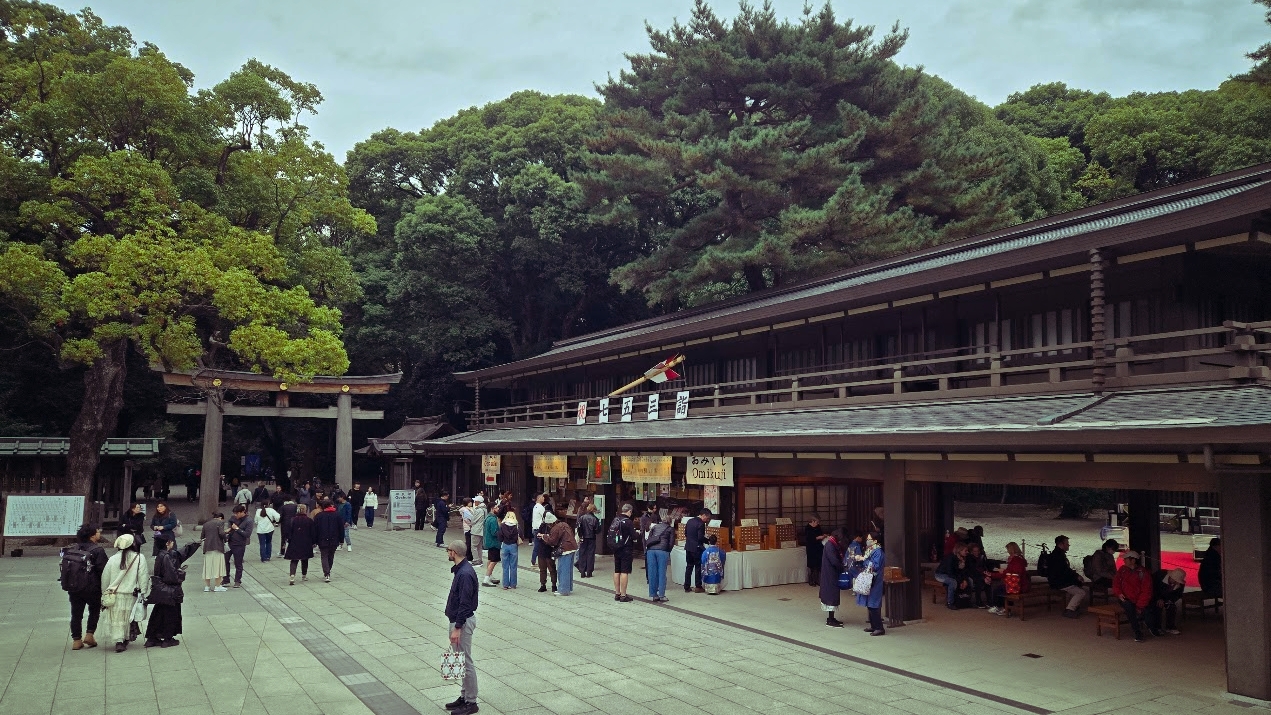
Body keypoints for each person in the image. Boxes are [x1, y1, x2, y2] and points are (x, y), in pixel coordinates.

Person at [442, 540, 480, 715]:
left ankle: (471, 702)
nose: (447, 553)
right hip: (459, 620)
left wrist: (457, 627)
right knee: (461, 659)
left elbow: (465, 603)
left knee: (466, 662)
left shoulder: (464, 574)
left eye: (448, 550)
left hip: (462, 621)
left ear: (454, 552)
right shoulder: (462, 570)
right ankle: (464, 696)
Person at [100, 534, 150, 652]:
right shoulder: (139, 557)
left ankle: (119, 641)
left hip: (114, 595)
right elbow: (143, 576)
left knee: (117, 619)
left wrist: (104, 592)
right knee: (127, 618)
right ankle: (125, 638)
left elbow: (105, 578)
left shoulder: (112, 559)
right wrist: (143, 592)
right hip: (130, 594)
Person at [144, 539, 197, 648]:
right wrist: (180, 574)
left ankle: (152, 638)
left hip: (160, 590)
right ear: (167, 543)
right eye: (171, 542)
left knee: (158, 613)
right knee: (171, 614)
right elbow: (171, 576)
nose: (173, 543)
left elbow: (180, 554)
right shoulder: (167, 557)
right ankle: (167, 639)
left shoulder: (160, 555)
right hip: (169, 591)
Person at [65, 524, 108, 651]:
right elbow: (103, 570)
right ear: (92, 536)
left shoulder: (73, 549)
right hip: (92, 587)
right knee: (94, 611)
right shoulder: (98, 550)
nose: (99, 534)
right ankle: (89, 635)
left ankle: (76, 640)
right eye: (97, 532)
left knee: (76, 613)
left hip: (74, 587)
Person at [1112, 550, 1153, 642]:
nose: (1124, 561)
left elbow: (1146, 591)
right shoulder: (1122, 570)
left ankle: (1148, 627)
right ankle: (1137, 631)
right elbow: (1116, 584)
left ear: (1133, 560)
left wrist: (1140, 605)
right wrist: (1119, 593)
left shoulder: (1143, 573)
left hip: (1139, 600)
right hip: (1125, 598)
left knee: (1147, 612)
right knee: (1129, 608)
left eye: (1126, 559)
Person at [1048, 535, 1088, 617]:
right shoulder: (1059, 556)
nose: (1068, 545)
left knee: (1077, 587)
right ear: (1061, 544)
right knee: (1081, 592)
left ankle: (1072, 607)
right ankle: (1070, 609)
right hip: (1059, 582)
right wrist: (1076, 577)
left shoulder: (1057, 554)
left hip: (1057, 581)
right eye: (1067, 543)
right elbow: (1064, 570)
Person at [540, 510, 579, 596]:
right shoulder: (564, 524)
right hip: (572, 547)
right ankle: (569, 587)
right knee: (569, 570)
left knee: (563, 569)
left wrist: (544, 536)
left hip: (565, 550)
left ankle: (563, 590)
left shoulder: (555, 528)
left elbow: (552, 541)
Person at [856, 531, 886, 636]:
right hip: (870, 580)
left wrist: (863, 559)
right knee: (870, 604)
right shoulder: (871, 550)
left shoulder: (878, 552)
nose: (867, 541)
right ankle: (874, 626)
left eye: (869, 539)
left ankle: (879, 628)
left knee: (874, 604)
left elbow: (875, 566)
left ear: (875, 541)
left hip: (875, 581)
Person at [987, 541, 1030, 615]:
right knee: (1002, 588)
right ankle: (1005, 608)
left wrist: (993, 574)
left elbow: (1011, 573)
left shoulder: (1016, 560)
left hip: (1018, 585)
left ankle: (1000, 607)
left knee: (998, 589)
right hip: (1020, 584)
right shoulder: (1019, 559)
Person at [642, 514, 673, 602]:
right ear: (670, 522)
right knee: (662, 573)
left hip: (651, 550)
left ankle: (653, 594)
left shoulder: (654, 527)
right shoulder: (670, 529)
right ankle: (662, 595)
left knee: (652, 572)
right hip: (662, 551)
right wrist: (667, 551)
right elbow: (671, 543)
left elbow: (649, 538)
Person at [819, 529, 846, 627]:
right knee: (831, 596)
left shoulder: (831, 544)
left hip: (831, 574)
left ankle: (832, 617)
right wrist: (842, 567)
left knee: (832, 595)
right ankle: (830, 620)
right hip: (830, 574)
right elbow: (834, 561)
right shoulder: (830, 545)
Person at [223, 504, 254, 588]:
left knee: (238, 563)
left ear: (242, 512)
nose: (235, 515)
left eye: (237, 513)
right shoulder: (233, 518)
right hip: (229, 543)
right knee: (225, 561)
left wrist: (237, 529)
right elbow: (229, 522)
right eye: (235, 513)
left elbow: (247, 534)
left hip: (240, 544)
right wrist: (229, 528)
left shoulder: (249, 521)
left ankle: (237, 581)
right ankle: (226, 579)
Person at [610, 503, 636, 602]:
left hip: (616, 548)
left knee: (617, 570)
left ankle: (617, 593)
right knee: (624, 571)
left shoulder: (615, 519)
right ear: (629, 511)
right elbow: (633, 536)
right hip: (626, 549)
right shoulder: (628, 522)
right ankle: (623, 595)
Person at [1150, 568, 1186, 636]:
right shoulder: (1159, 576)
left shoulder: (1180, 585)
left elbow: (1178, 595)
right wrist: (1158, 598)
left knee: (1172, 607)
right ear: (1171, 577)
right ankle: (1157, 627)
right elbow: (1152, 588)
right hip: (1155, 596)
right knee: (1157, 607)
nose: (1177, 583)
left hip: (1167, 597)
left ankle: (1170, 627)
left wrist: (1170, 601)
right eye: (1175, 581)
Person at [285, 506, 316, 585]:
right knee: (305, 559)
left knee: (294, 560)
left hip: (294, 542)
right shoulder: (309, 521)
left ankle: (292, 575)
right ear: (306, 511)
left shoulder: (292, 520)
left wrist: (288, 540)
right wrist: (314, 542)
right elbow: (313, 533)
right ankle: (304, 575)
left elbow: (288, 532)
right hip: (306, 542)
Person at [314, 498, 342, 583]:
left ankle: (327, 573)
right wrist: (341, 540)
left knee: (324, 556)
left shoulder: (319, 516)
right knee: (331, 555)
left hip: (322, 539)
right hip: (334, 539)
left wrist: (314, 540)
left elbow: (315, 529)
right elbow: (341, 528)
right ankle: (328, 570)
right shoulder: (337, 515)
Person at [934, 543, 969, 610]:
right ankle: (950, 603)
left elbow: (963, 571)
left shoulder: (963, 559)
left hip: (954, 574)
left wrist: (964, 580)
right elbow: (950, 572)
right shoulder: (950, 558)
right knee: (952, 582)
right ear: (960, 551)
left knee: (969, 580)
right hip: (941, 574)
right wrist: (960, 581)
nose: (967, 552)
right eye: (965, 550)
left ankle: (964, 601)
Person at [683, 509, 710, 594]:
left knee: (689, 566)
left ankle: (686, 586)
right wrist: (708, 540)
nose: (707, 520)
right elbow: (700, 537)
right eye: (707, 518)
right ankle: (698, 586)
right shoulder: (701, 524)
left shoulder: (690, 521)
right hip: (697, 548)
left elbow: (686, 533)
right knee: (698, 567)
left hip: (688, 547)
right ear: (704, 515)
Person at [201, 512, 228, 592]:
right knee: (218, 567)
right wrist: (226, 537)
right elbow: (221, 533)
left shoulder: (206, 524)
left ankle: (207, 586)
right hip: (218, 547)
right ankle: (217, 585)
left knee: (207, 567)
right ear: (220, 518)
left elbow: (202, 536)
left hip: (207, 548)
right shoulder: (220, 523)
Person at [535, 511, 559, 593]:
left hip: (549, 550)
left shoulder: (554, 526)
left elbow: (553, 538)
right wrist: (542, 536)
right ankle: (543, 585)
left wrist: (544, 536)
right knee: (542, 569)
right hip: (542, 549)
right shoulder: (543, 525)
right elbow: (537, 534)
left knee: (552, 568)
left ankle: (554, 584)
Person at [498, 510, 521, 589]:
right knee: (513, 566)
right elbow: (521, 535)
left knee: (505, 566)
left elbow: (500, 537)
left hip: (505, 545)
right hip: (514, 545)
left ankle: (505, 584)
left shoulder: (503, 525)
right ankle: (513, 584)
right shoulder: (516, 525)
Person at [576, 504, 600, 578]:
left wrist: (580, 536)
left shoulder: (582, 518)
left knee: (582, 553)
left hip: (583, 537)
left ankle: (582, 571)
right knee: (590, 555)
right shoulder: (595, 519)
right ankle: (589, 572)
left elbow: (579, 528)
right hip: (592, 538)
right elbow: (597, 530)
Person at [965, 543, 991, 609]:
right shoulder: (969, 558)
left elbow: (984, 567)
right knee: (979, 582)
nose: (976, 553)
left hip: (981, 574)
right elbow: (972, 569)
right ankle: (978, 601)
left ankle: (989, 601)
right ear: (971, 552)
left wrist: (986, 575)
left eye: (977, 551)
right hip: (973, 575)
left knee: (988, 582)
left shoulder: (982, 557)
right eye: (974, 551)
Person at [481, 505, 501, 586]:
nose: (498, 509)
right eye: (496, 507)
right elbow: (494, 532)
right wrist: (501, 532)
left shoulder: (487, 517)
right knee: (494, 560)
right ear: (492, 509)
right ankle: (486, 578)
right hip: (494, 543)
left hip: (488, 541)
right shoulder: (493, 519)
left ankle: (490, 576)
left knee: (490, 559)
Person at [804, 515, 826, 586]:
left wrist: (823, 536)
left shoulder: (818, 527)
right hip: (811, 548)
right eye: (817, 522)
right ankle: (811, 581)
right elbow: (809, 539)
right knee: (812, 565)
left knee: (819, 564)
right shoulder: (807, 528)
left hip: (819, 547)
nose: (818, 524)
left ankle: (818, 580)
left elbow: (820, 534)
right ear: (812, 521)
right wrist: (818, 537)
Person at [469, 496, 487, 567]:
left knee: (473, 546)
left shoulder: (478, 510)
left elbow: (473, 521)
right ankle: (480, 559)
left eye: (475, 501)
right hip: (482, 530)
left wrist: (471, 523)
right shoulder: (485, 509)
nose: (474, 502)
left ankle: (476, 560)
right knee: (479, 546)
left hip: (476, 530)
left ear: (478, 502)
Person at [530, 492, 547, 565]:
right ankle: (533, 561)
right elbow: (545, 517)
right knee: (538, 546)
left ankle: (536, 561)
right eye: (543, 497)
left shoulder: (535, 506)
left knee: (538, 545)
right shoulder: (540, 507)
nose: (544, 498)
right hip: (539, 529)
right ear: (539, 498)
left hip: (535, 528)